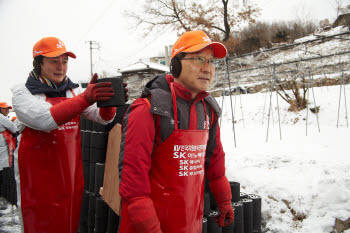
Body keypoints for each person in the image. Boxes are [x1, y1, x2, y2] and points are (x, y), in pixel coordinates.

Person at [118, 30, 234, 233]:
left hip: (190, 223)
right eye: (199, 59)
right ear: (176, 65)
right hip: (147, 226)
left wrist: (224, 201)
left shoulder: (209, 110)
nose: (207, 68)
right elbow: (134, 187)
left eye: (211, 61)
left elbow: (215, 163)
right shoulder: (147, 110)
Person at [11, 37, 122, 233]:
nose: (61, 67)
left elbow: (102, 118)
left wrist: (109, 101)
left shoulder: (73, 91)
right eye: (54, 61)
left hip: (69, 177)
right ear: (38, 64)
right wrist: (86, 98)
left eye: (64, 61)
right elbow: (45, 120)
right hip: (37, 182)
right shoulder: (23, 93)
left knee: (68, 224)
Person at [0, 102, 18, 203]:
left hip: (3, 153)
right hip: (5, 153)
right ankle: (11, 201)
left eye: (8, 108)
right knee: (8, 177)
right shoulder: (2, 118)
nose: (7, 110)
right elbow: (14, 129)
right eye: (4, 109)